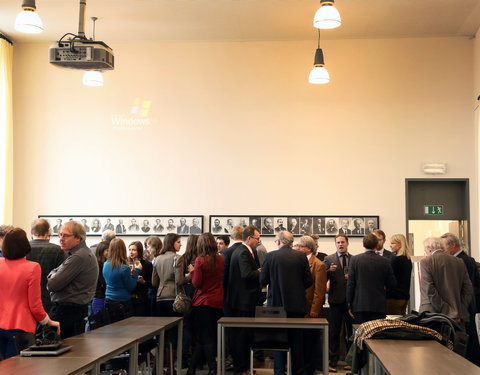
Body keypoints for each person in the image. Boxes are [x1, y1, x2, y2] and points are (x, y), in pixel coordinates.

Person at [0, 228, 60, 359]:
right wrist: (48, 322)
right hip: (20, 327)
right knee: (18, 369)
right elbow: (35, 305)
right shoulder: (32, 268)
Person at [260, 231, 313, 375]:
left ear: (279, 241)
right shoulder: (301, 256)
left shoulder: (270, 256)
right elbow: (309, 281)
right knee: (297, 342)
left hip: (276, 305)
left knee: (278, 341)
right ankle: (297, 371)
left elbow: (262, 280)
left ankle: (279, 371)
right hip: (297, 305)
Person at [47, 221, 98, 339]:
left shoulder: (78, 257)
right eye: (60, 235)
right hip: (73, 312)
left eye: (65, 235)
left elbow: (52, 285)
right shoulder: (81, 254)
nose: (61, 239)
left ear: (78, 238)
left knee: (60, 353)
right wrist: (55, 273)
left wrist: (52, 273)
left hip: (67, 313)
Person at [225, 225, 263, 375]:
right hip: (242, 302)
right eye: (257, 238)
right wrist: (260, 272)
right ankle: (241, 368)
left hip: (246, 301)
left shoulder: (249, 251)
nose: (259, 241)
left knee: (246, 337)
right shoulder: (242, 252)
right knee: (241, 337)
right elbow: (246, 274)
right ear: (249, 238)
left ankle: (245, 367)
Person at [187, 233, 225, 375]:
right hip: (217, 300)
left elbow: (197, 283)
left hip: (202, 302)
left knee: (203, 337)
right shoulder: (220, 259)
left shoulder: (200, 260)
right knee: (206, 337)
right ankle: (192, 369)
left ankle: (212, 368)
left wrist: (192, 272)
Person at [440, 232, 480, 365]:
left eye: (444, 246)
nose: (443, 249)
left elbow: (466, 287)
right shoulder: (464, 259)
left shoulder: (463, 260)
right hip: (465, 304)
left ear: (453, 245)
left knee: (468, 337)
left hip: (465, 305)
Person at [419, 237, 473, 326]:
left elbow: (429, 290)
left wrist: (447, 311)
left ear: (429, 249)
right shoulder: (459, 261)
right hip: (457, 317)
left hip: (433, 314)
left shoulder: (426, 262)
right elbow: (468, 289)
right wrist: (459, 309)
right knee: (455, 339)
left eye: (425, 250)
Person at [347, 233, 396, 324]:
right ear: (376, 244)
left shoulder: (355, 260)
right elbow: (392, 285)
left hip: (360, 305)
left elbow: (350, 284)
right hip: (379, 306)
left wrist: (349, 305)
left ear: (363, 244)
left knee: (361, 334)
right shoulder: (385, 261)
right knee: (377, 336)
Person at [296, 235, 327, 375]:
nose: (297, 248)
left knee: (310, 341)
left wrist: (314, 309)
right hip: (300, 309)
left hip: (311, 310)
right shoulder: (299, 262)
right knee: (301, 341)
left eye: (300, 246)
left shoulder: (319, 265)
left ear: (308, 248)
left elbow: (319, 291)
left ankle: (310, 369)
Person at [323, 235, 353, 373]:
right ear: (335, 244)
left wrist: (351, 277)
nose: (340, 244)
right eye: (338, 242)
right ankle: (332, 361)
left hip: (350, 302)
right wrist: (329, 271)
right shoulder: (329, 259)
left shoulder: (354, 259)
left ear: (347, 243)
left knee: (351, 332)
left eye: (342, 242)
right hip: (335, 301)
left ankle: (351, 361)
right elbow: (322, 276)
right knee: (334, 332)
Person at [27, 218, 66, 314]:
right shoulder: (58, 250)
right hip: (50, 299)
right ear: (48, 232)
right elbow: (61, 277)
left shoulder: (22, 248)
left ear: (31, 231)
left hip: (27, 297)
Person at [103, 238, 142, 322]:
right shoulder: (124, 268)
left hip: (108, 299)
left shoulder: (105, 264)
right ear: (123, 250)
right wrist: (137, 271)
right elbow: (131, 286)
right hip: (122, 301)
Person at [386, 234, 412, 315]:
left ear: (400, 244)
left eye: (393, 243)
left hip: (394, 297)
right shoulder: (408, 259)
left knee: (394, 324)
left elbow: (390, 279)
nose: (390, 246)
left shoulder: (396, 260)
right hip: (404, 297)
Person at [128, 241, 154, 316]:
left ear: (139, 251)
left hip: (141, 299)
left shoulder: (147, 264)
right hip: (127, 298)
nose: (131, 252)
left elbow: (153, 283)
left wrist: (144, 282)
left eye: (134, 250)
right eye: (129, 250)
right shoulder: (125, 263)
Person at [92, 241, 109, 314]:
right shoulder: (97, 264)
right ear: (101, 251)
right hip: (99, 297)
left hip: (105, 297)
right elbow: (103, 282)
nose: (110, 253)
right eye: (107, 250)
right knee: (99, 322)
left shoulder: (106, 263)